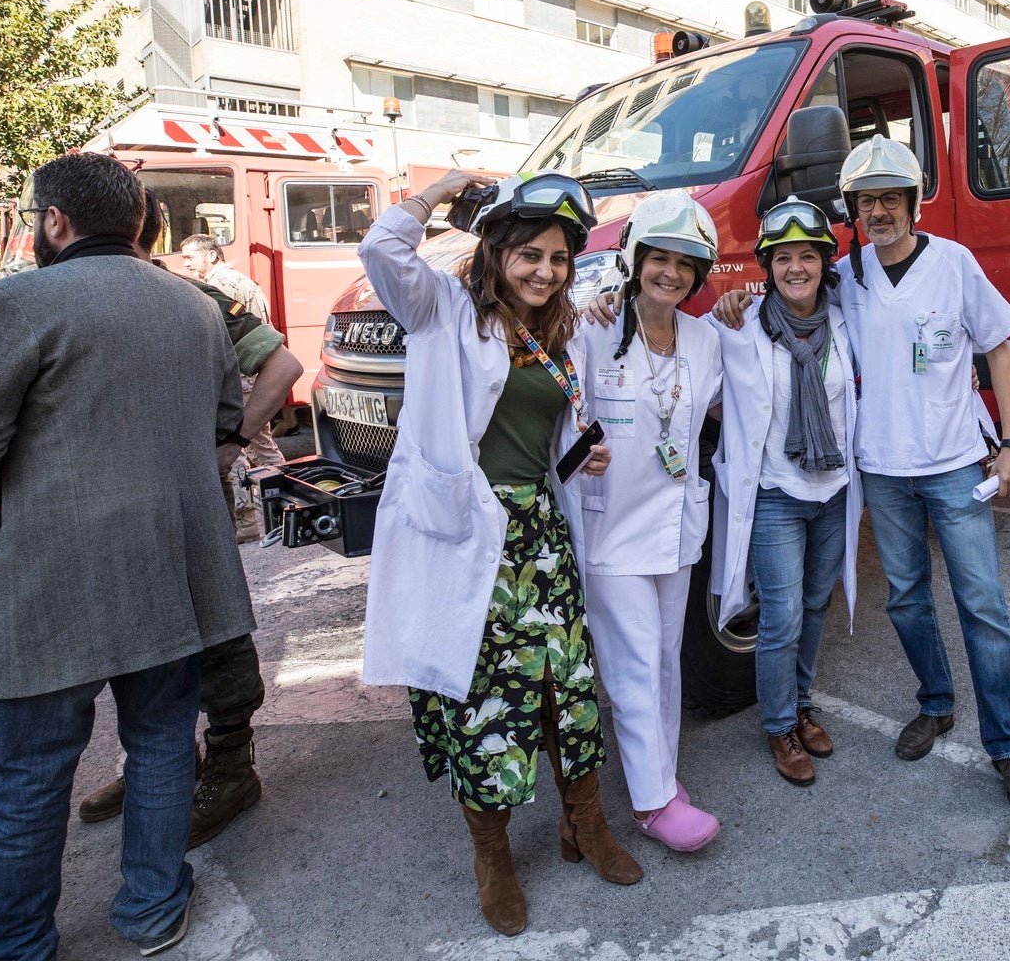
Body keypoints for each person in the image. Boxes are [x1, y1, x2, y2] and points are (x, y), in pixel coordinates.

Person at [0, 151, 256, 958]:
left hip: (57, 570)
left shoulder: (14, 300)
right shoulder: (197, 307)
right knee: (165, 740)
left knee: (31, 764)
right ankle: (151, 907)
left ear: (54, 221)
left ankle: (9, 939)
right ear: (137, 224)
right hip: (176, 568)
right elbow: (222, 423)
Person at [715, 137, 1010, 813]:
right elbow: (786, 289)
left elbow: (1000, 354)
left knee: (983, 606)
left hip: (955, 466)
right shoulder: (850, 276)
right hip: (882, 472)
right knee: (906, 600)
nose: (882, 211)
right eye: (869, 202)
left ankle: (1008, 748)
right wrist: (730, 303)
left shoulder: (955, 264)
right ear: (856, 211)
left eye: (893, 197)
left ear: (913, 201)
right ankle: (936, 704)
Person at [358, 171, 637, 939]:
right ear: (496, 252)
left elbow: (545, 437)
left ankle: (586, 824)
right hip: (471, 537)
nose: (545, 271)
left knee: (568, 686)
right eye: (530, 255)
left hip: (540, 535)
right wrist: (439, 189)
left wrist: (584, 456)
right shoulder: (443, 310)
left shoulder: (563, 329)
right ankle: (493, 855)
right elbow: (382, 248)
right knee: (484, 702)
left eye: (558, 259)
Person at [74, 189, 304, 849]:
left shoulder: (190, 297)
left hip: (183, 495)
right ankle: (167, 763)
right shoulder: (168, 294)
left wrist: (228, 440)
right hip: (129, 499)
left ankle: (232, 769)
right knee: (145, 629)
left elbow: (282, 363)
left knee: (214, 627)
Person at [573, 190, 724, 850]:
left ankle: (659, 770)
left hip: (676, 527)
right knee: (633, 662)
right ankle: (652, 802)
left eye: (685, 263)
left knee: (665, 658)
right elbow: (562, 419)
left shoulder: (707, 339)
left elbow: (746, 391)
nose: (671, 273)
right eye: (658, 258)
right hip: (611, 530)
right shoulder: (592, 327)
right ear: (635, 262)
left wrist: (745, 309)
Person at [708, 199, 863, 786]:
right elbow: (676, 346)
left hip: (836, 489)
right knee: (783, 614)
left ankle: (800, 704)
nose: (795, 268)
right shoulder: (739, 323)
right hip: (775, 490)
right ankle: (779, 726)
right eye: (783, 259)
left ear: (825, 263)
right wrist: (605, 310)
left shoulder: (848, 321)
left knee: (816, 606)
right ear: (767, 267)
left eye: (807, 256)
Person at [178, 234, 285, 500]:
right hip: (254, 373)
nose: (186, 265)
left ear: (212, 256)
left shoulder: (220, 284)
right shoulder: (239, 279)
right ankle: (276, 506)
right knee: (257, 447)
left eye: (190, 258)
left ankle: (268, 509)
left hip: (244, 376)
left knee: (244, 447)